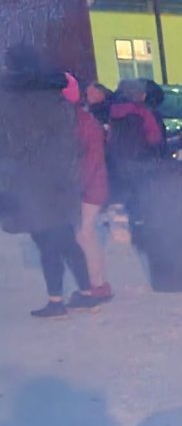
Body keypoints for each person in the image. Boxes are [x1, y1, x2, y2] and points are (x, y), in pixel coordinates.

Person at [0, 45, 100, 317]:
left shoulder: (12, 102)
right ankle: (87, 291)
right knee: (64, 236)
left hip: (34, 182)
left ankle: (56, 301)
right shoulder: (58, 98)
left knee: (47, 240)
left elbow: (11, 145)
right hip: (63, 179)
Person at [63, 74, 113, 303]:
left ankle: (97, 284)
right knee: (86, 235)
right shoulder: (83, 121)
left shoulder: (85, 123)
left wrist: (77, 185)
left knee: (85, 234)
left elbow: (91, 160)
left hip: (91, 187)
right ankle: (96, 283)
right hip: (91, 185)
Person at [107, 77, 165, 245]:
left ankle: (129, 226)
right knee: (144, 197)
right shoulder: (143, 113)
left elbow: (110, 138)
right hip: (142, 161)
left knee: (127, 196)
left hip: (120, 162)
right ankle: (143, 230)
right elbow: (154, 138)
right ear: (139, 95)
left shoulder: (114, 112)